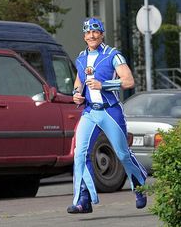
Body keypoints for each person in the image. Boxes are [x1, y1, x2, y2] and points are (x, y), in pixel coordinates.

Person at [67, 17, 147, 214]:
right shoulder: (81, 57)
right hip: (89, 112)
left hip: (110, 110)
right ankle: (83, 200)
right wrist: (76, 94)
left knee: (122, 153)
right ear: (84, 36)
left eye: (95, 32)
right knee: (79, 153)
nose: (91, 36)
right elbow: (79, 82)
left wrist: (105, 85)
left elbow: (128, 81)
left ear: (101, 34)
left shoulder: (113, 55)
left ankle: (140, 188)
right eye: (87, 32)